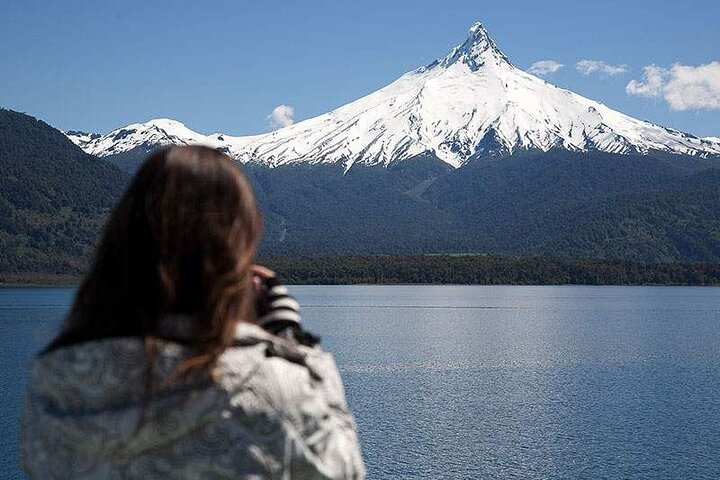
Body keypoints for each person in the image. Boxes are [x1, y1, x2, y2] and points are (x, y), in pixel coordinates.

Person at [20, 146, 365, 479]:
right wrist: (289, 338)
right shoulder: (271, 387)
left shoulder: (53, 384)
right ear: (238, 248)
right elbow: (342, 468)